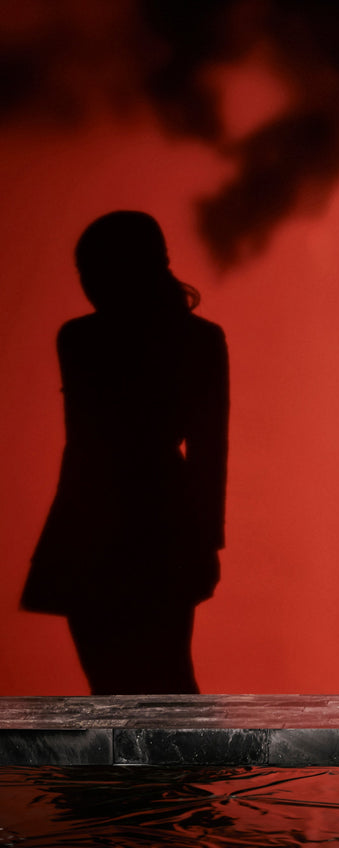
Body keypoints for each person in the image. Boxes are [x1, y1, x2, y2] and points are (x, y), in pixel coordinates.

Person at [21, 211, 229, 694]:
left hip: (93, 521)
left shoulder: (80, 339)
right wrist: (206, 540)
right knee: (168, 682)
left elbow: (86, 442)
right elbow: (208, 452)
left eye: (92, 269)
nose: (87, 282)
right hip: (161, 521)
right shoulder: (198, 339)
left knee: (116, 686)